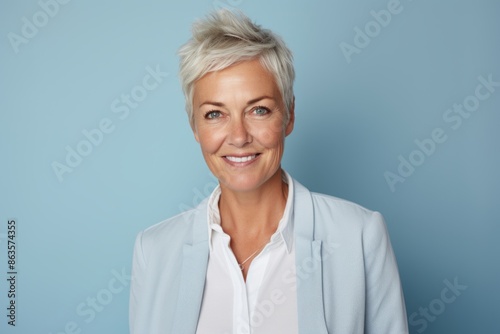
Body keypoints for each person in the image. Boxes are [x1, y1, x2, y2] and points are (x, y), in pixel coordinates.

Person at [129, 9, 408, 334]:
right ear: (194, 126)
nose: (238, 136)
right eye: (215, 114)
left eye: (258, 110)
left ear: (288, 116)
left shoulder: (359, 237)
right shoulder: (154, 251)